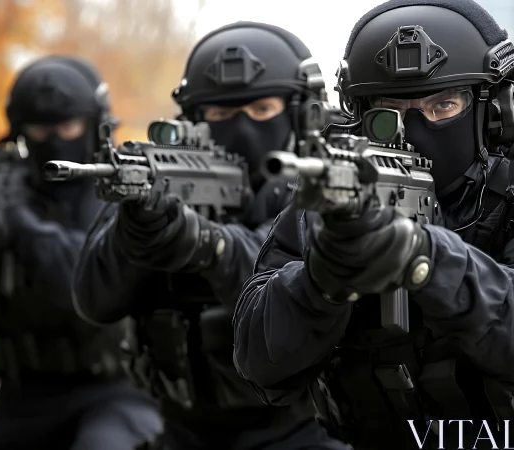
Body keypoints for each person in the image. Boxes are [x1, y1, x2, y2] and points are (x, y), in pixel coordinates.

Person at [233, 1, 514, 449]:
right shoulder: (337, 192)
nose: (416, 127)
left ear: (496, 110)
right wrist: (321, 281)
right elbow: (259, 360)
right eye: (390, 111)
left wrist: (422, 256)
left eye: (444, 104)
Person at [71, 22, 350, 450]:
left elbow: (284, 283)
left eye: (262, 111)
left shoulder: (324, 189)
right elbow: (94, 300)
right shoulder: (161, 176)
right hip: (181, 430)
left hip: (300, 431)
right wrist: (133, 232)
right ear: (194, 120)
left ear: (300, 116)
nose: (240, 128)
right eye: (219, 115)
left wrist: (204, 243)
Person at [0, 55, 163, 450]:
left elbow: (85, 291)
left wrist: (18, 226)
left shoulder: (124, 196)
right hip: (22, 396)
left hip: (118, 392)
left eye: (67, 127)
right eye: (39, 128)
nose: (53, 140)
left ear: (94, 124)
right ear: (18, 129)